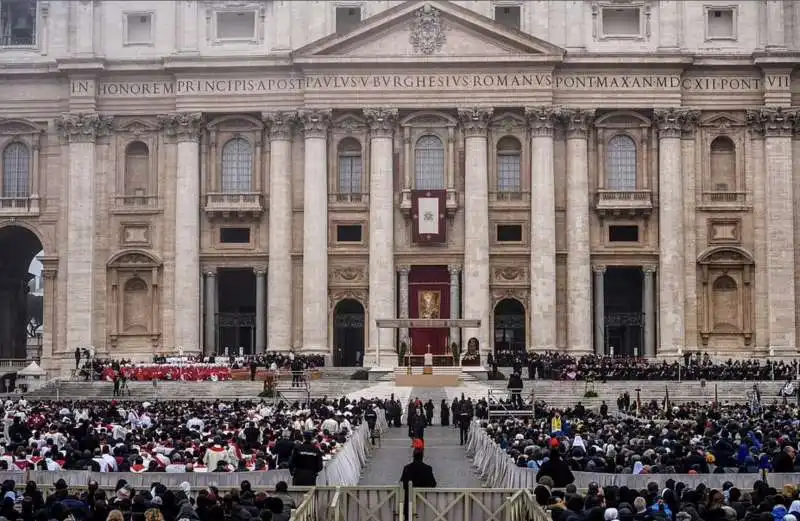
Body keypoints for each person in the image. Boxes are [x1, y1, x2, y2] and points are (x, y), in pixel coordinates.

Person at [400, 449, 436, 521]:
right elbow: (433, 484)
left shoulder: (407, 468)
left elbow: (402, 483)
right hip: (424, 505)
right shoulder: (428, 469)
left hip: (409, 504)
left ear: (413, 456)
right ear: (422, 456)